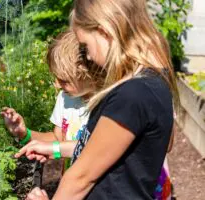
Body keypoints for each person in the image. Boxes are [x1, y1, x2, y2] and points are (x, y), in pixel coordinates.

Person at [15, 0, 178, 199]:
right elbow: (102, 148)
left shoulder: (131, 95)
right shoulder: (151, 81)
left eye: (85, 46)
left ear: (104, 32)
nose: (88, 57)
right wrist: (55, 148)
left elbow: (81, 178)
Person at [1, 30, 101, 163]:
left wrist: (55, 149)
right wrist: (25, 134)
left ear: (89, 75)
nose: (57, 85)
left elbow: (98, 149)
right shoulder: (65, 98)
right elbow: (57, 139)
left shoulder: (106, 105)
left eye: (64, 81)